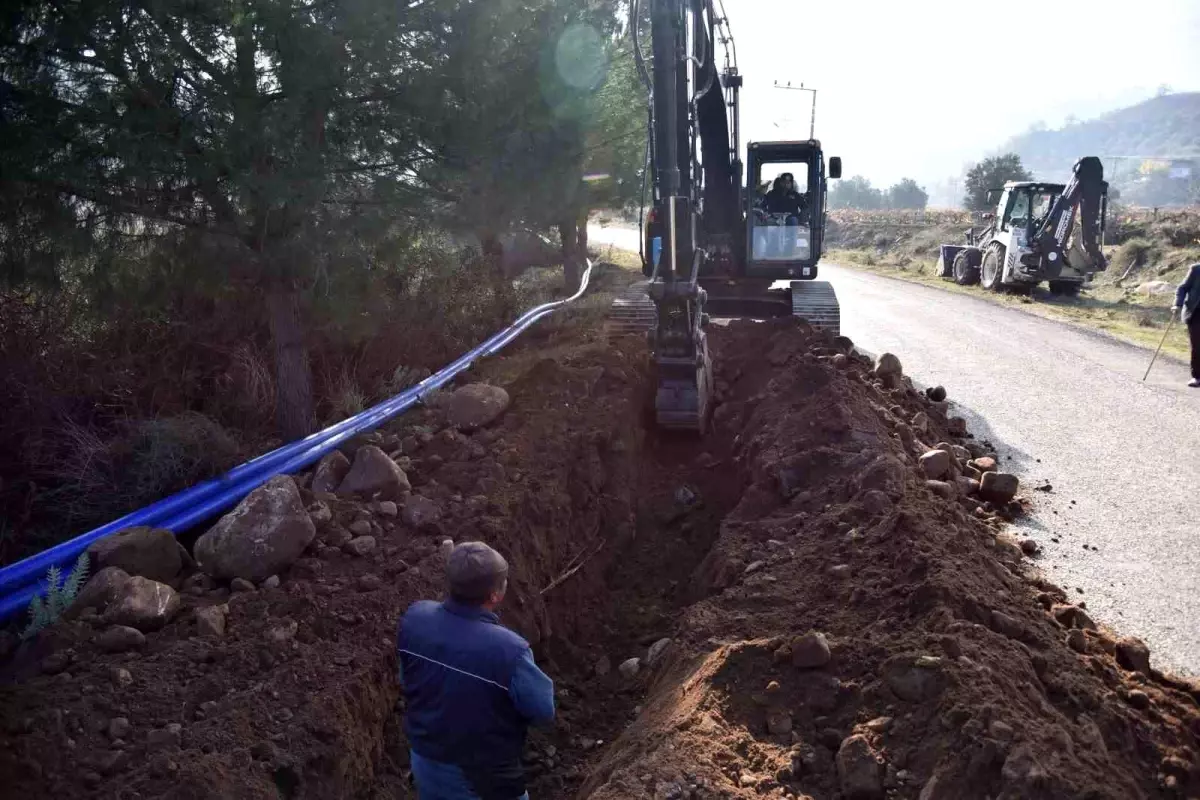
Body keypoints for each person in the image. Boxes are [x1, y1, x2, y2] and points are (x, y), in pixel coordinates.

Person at [397, 542, 555, 799]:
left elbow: (407, 679)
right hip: (481, 775)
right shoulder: (509, 650)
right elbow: (542, 709)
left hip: (425, 759)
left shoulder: (415, 619)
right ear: (495, 595)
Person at [1173, 262, 1200, 387]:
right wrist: (1177, 304)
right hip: (1196, 313)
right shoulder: (1196, 269)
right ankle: (1197, 377)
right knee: (1197, 346)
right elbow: (1182, 288)